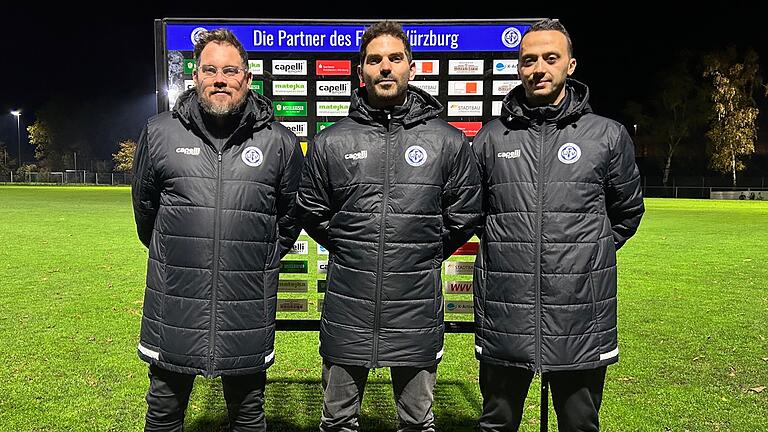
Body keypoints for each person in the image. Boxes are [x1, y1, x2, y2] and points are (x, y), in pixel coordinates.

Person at [298, 20, 482, 432]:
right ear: (360, 71)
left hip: (416, 307)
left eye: (395, 58)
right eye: (375, 60)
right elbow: (311, 210)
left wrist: (422, 252)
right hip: (349, 304)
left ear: (411, 69)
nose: (385, 67)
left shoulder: (448, 141)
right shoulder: (331, 141)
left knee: (417, 422)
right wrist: (351, 247)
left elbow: (465, 213)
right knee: (338, 421)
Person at [471, 19, 645, 431]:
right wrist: (513, 249)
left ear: (570, 65)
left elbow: (626, 213)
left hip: (580, 311)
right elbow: (475, 214)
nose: (539, 68)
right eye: (529, 59)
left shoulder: (607, 135)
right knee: (496, 422)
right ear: (518, 67)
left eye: (551, 58)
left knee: (579, 424)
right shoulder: (491, 137)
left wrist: (585, 254)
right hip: (506, 309)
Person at [131, 28, 303, 431]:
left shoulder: (279, 141)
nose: (220, 79)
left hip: (246, 308)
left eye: (230, 70)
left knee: (248, 416)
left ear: (247, 78)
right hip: (174, 304)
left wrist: (254, 258)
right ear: (195, 76)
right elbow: (145, 214)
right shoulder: (159, 133)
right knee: (163, 415)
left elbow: (290, 216)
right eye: (210, 69)